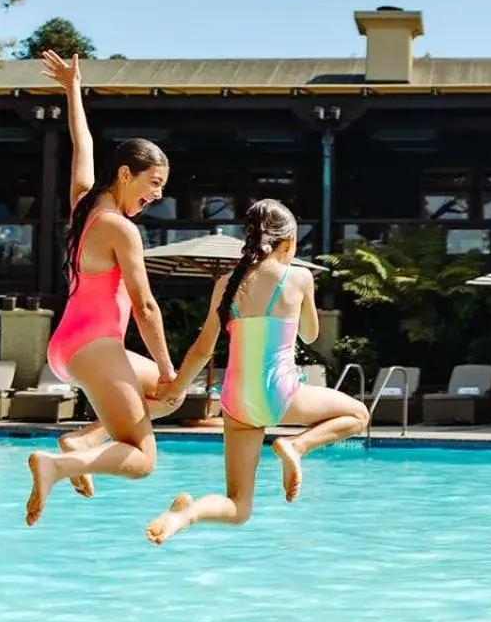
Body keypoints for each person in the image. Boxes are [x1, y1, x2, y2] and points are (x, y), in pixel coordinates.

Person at [144, 199, 369, 545]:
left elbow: (203, 349)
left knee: (238, 506)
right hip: (280, 393)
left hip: (236, 402)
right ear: (288, 242)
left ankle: (184, 515)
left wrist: (176, 389)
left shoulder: (226, 283)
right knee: (358, 414)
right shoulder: (299, 277)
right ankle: (296, 446)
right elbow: (311, 335)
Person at [24, 51, 181, 526]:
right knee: (142, 458)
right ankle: (58, 466)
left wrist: (73, 89)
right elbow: (145, 306)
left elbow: (83, 143)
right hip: (94, 346)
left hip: (70, 344)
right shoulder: (119, 228)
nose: (157, 195)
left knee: (170, 397)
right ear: (125, 174)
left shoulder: (83, 206)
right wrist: (168, 366)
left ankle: (83, 441)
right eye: (153, 183)